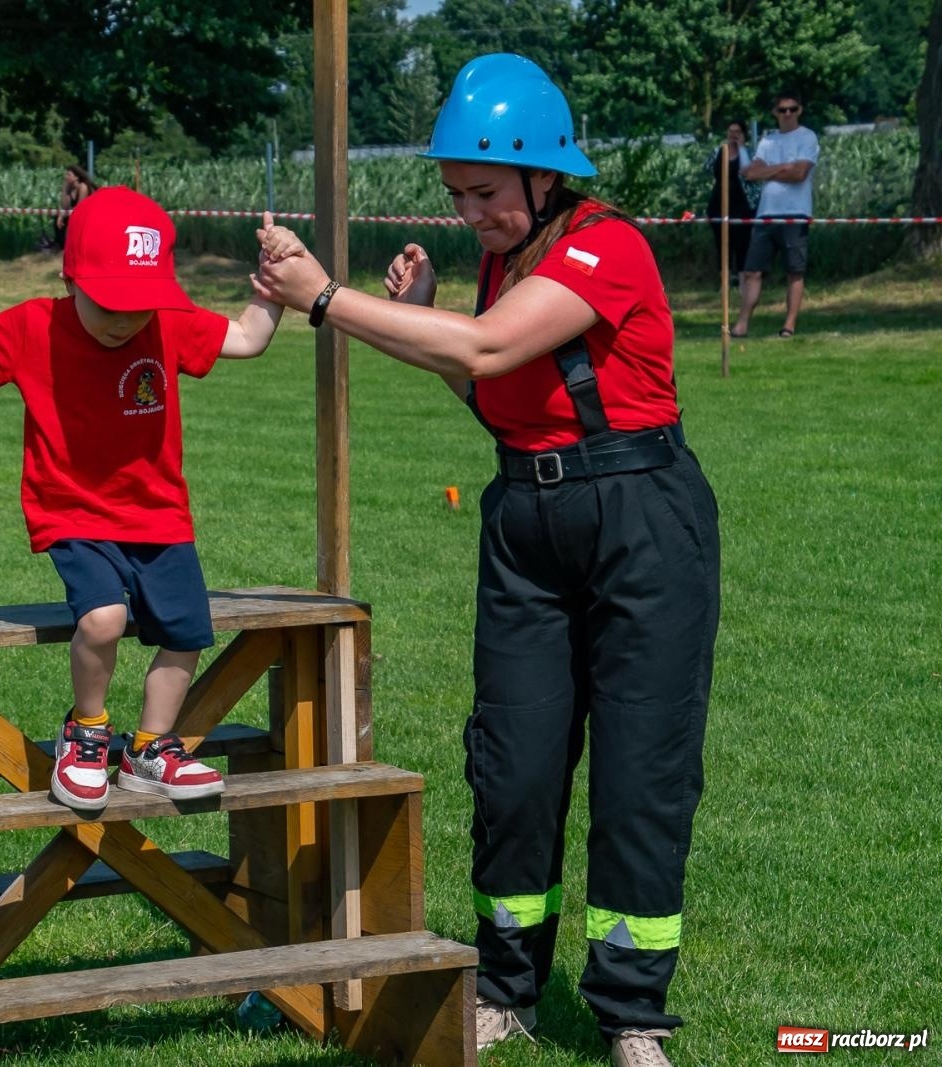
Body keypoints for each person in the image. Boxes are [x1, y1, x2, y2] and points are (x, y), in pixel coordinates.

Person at [251, 53, 719, 1067]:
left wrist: (328, 299)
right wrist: (419, 320)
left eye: (488, 195)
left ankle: (632, 1013)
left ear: (546, 176)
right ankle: (505, 987)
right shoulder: (504, 266)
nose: (472, 215)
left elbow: (486, 351)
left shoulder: (607, 250)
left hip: (641, 522)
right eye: (458, 195)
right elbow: (492, 393)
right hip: (527, 522)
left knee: (641, 771)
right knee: (511, 765)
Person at [0, 187, 288, 811]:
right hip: (72, 512)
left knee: (187, 629)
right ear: (70, 276)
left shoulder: (168, 325)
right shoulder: (34, 326)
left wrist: (274, 288)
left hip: (160, 515)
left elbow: (246, 337)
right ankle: (86, 735)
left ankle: (152, 749)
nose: (126, 319)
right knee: (102, 618)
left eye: (141, 305)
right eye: (111, 303)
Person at [732, 92, 819, 339]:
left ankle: (789, 325)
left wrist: (768, 171)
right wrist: (783, 167)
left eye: (792, 109)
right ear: (775, 113)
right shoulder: (768, 141)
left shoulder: (808, 137)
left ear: (799, 110)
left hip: (795, 213)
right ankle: (741, 324)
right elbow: (749, 173)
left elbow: (800, 174)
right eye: (782, 110)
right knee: (752, 272)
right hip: (766, 214)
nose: (787, 114)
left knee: (794, 271)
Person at [705, 121, 754, 283]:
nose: (733, 135)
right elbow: (706, 169)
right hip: (718, 205)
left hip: (741, 206)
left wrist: (741, 147)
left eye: (737, 132)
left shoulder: (748, 153)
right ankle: (724, 284)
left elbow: (748, 172)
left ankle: (742, 283)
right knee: (722, 246)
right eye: (731, 131)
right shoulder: (718, 152)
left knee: (742, 245)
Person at [54, 164, 98, 249]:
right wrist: (64, 190)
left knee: (69, 218)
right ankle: (61, 245)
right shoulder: (69, 187)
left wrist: (64, 214)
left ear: (76, 178)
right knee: (57, 217)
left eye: (69, 175)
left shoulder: (83, 187)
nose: (65, 177)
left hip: (89, 215)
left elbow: (80, 207)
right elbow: (65, 206)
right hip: (75, 213)